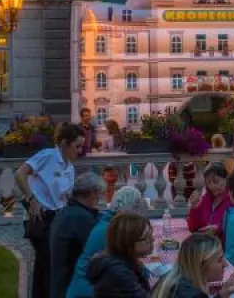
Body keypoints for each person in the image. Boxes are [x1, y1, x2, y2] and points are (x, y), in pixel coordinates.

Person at [17, 123, 87, 298]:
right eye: (76, 146)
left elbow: (65, 197)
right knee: (46, 263)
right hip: (42, 218)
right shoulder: (47, 156)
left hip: (58, 219)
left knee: (54, 264)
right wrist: (31, 199)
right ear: (64, 143)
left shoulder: (69, 168)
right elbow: (20, 174)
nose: (79, 150)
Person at [67, 186, 144, 298]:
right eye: (137, 208)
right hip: (87, 291)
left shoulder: (108, 222)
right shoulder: (111, 230)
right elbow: (124, 263)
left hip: (85, 287)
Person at [150, 232, 234, 298]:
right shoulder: (191, 295)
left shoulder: (173, 277)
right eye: (219, 260)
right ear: (201, 265)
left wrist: (222, 294)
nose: (225, 264)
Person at [50, 172, 105, 298]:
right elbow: (98, 251)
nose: (99, 197)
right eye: (98, 193)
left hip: (59, 283)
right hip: (72, 286)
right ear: (90, 192)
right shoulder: (80, 217)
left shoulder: (65, 212)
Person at [86, 211, 155, 298]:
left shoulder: (125, 263)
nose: (153, 240)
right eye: (147, 237)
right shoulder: (117, 272)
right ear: (128, 241)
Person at [187, 163, 231, 243]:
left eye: (216, 181)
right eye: (209, 182)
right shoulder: (204, 199)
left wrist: (219, 229)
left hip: (224, 250)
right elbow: (192, 229)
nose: (212, 186)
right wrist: (194, 208)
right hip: (204, 248)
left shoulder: (233, 200)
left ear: (226, 179)